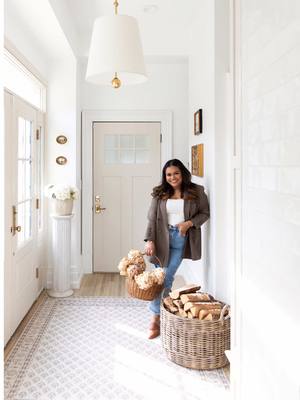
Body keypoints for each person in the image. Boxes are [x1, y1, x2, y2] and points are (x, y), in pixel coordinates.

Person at [144, 159, 210, 339]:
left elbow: (205, 213)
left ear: (183, 173)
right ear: (165, 177)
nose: (172, 177)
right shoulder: (159, 193)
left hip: (180, 239)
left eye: (176, 173)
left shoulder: (196, 191)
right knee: (159, 279)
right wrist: (149, 240)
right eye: (169, 174)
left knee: (166, 276)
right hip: (160, 238)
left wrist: (188, 223)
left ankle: (155, 318)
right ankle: (160, 314)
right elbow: (151, 218)